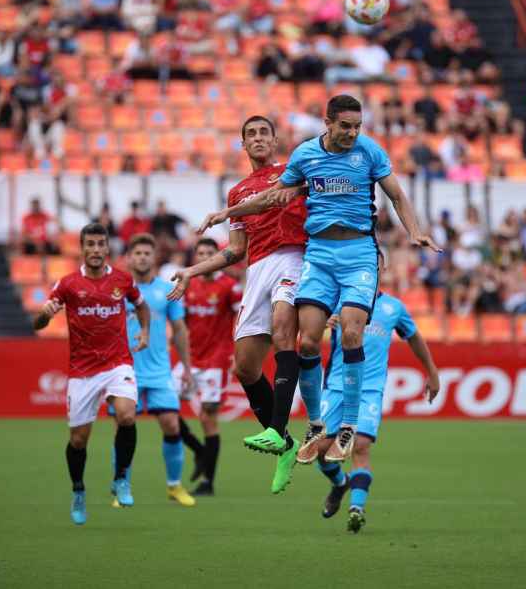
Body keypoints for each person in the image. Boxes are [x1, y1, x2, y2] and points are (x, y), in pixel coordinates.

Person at [198, 95, 437, 469]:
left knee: (353, 334)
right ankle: (314, 424)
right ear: (328, 123)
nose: (352, 132)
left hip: (358, 253)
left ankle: (348, 425)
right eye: (345, 126)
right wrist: (227, 213)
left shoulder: (370, 152)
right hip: (320, 256)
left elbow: (396, 195)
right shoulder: (306, 156)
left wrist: (415, 231)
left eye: (357, 126)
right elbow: (273, 198)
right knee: (308, 340)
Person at [168, 116, 308, 495]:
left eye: (264, 132)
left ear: (276, 140)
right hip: (257, 269)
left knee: (283, 329)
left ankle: (276, 432)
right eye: (251, 134)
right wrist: (192, 271)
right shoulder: (237, 193)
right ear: (243, 145)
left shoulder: (295, 173)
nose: (258, 138)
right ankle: (287, 444)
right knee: (244, 368)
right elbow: (234, 251)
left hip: (293, 257)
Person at [34, 223, 149, 524]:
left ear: (108, 248)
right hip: (82, 370)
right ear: (82, 248)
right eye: (90, 244)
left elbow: (142, 305)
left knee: (126, 415)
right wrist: (43, 316)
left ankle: (121, 478)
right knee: (78, 441)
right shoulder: (68, 284)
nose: (96, 250)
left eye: (101, 244)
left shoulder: (123, 280)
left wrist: (145, 331)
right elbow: (39, 323)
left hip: (117, 363)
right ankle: (78, 490)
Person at [315, 292, 439, 533]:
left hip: (369, 389)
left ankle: (356, 509)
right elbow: (307, 327)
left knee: (360, 445)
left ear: (380, 271)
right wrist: (324, 322)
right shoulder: (338, 300)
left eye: (377, 266)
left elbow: (414, 338)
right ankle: (340, 483)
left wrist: (431, 371)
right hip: (337, 387)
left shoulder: (394, 307)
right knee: (320, 450)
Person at [116, 234, 196, 508]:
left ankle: (174, 486)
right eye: (136, 252)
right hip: (125, 370)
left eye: (146, 253)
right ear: (128, 257)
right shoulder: (118, 292)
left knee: (172, 424)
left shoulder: (167, 290)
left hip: (160, 372)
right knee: (124, 426)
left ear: (154, 258)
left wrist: (186, 368)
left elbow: (181, 331)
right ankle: (121, 485)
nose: (142, 257)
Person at [173, 238, 241, 496]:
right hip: (190, 358)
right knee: (164, 406)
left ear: (218, 256)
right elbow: (181, 324)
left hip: (217, 359)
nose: (204, 257)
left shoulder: (230, 287)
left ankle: (208, 482)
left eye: (209, 253)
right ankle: (199, 450)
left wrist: (237, 354)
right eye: (200, 253)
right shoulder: (187, 286)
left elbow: (241, 319)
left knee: (207, 416)